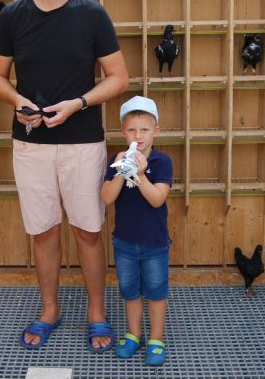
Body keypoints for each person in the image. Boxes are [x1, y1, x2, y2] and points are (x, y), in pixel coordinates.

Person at [0, 0, 129, 352]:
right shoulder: (12, 16)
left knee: (88, 231)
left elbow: (118, 77)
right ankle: (50, 310)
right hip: (31, 143)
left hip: (82, 142)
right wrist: (17, 100)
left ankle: (97, 313)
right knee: (44, 232)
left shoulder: (93, 14)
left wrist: (78, 103)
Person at [101, 95, 173, 366]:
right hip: (124, 243)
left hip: (154, 244)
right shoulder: (116, 160)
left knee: (156, 292)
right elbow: (107, 198)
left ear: (156, 131)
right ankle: (134, 334)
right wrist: (122, 171)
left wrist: (140, 174)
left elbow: (157, 199)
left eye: (144, 130)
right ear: (123, 132)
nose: (138, 136)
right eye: (132, 130)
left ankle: (156, 338)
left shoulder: (162, 162)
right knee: (129, 291)